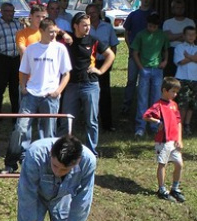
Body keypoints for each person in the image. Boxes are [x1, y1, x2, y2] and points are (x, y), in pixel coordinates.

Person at [3, 18, 71, 174]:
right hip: (31, 94)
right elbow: (23, 71)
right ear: (41, 31)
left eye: (55, 31)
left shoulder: (60, 49)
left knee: (48, 132)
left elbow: (66, 74)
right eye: (50, 32)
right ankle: (11, 163)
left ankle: (48, 164)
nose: (54, 35)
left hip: (50, 95)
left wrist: (58, 91)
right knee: (20, 128)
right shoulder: (31, 49)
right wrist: (23, 87)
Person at [58, 12, 115, 156]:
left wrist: (100, 70)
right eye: (84, 25)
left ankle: (91, 151)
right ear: (75, 26)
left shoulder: (94, 41)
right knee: (66, 119)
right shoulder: (67, 39)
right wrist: (63, 33)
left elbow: (110, 55)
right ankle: (63, 148)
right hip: (71, 84)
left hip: (90, 84)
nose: (87, 28)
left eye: (89, 25)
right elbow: (49, 26)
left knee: (91, 120)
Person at [143, 77, 185, 203]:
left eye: (176, 92)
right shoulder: (158, 105)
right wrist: (157, 121)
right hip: (163, 141)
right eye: (173, 91)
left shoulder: (174, 105)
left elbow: (178, 122)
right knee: (163, 164)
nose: (175, 94)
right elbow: (146, 116)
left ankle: (175, 188)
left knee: (179, 164)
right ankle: (161, 189)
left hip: (174, 141)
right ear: (165, 91)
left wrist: (179, 139)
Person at [133, 13, 169, 138]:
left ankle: (154, 125)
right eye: (149, 26)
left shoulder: (162, 35)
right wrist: (141, 67)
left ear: (157, 26)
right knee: (142, 98)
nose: (151, 28)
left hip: (157, 69)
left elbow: (166, 49)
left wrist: (165, 61)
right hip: (145, 69)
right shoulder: (141, 35)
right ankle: (140, 127)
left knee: (156, 98)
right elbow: (135, 52)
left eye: (154, 27)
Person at [85, 3, 119, 133]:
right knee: (90, 93)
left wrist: (111, 62)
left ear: (98, 12)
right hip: (90, 64)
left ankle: (107, 124)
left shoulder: (107, 27)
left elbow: (114, 45)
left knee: (105, 93)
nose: (91, 15)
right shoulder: (86, 28)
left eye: (93, 12)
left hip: (104, 62)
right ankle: (91, 121)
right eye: (89, 13)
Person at [122, 0, 156, 115]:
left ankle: (148, 107)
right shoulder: (133, 14)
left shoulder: (154, 14)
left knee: (147, 81)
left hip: (149, 55)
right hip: (134, 53)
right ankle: (127, 105)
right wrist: (130, 46)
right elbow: (126, 32)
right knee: (131, 80)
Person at [162, 0, 194, 78]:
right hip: (171, 51)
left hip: (187, 51)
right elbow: (167, 37)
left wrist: (174, 36)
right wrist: (183, 34)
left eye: (182, 8)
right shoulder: (167, 22)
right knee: (170, 75)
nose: (180, 9)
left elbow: (191, 37)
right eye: (177, 7)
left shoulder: (190, 22)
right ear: (173, 9)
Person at [174, 26, 197, 135]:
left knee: (192, 104)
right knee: (183, 103)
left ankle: (187, 124)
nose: (191, 37)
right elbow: (180, 61)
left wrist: (188, 56)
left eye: (193, 34)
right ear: (184, 36)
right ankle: (180, 124)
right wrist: (193, 58)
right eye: (189, 34)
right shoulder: (179, 47)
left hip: (195, 78)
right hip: (183, 78)